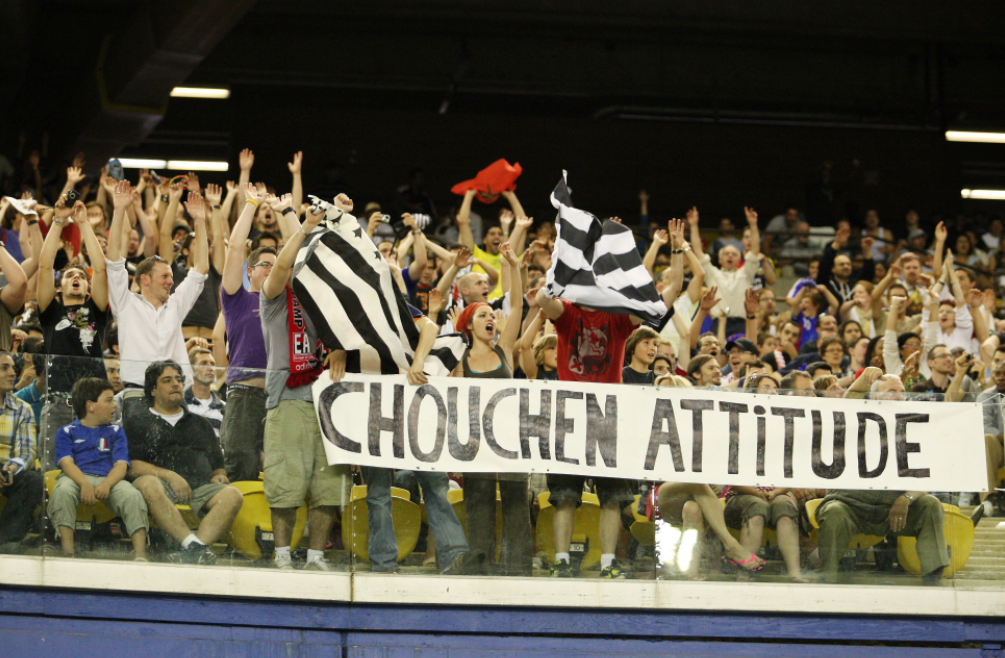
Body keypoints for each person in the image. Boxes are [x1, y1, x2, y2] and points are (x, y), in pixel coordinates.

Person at [259, 193, 352, 571]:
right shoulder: (275, 297)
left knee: (328, 486)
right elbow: (283, 264)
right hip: (289, 398)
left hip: (331, 401)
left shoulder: (330, 303)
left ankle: (315, 556)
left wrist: (341, 349)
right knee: (286, 483)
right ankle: (282, 555)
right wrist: (305, 227)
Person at [449, 242, 528, 575]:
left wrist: (514, 267)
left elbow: (518, 306)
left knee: (516, 501)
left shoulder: (504, 349)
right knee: (478, 502)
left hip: (509, 437)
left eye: (492, 315)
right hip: (476, 440)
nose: (491, 319)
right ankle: (481, 563)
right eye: (483, 315)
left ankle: (519, 566)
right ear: (469, 325)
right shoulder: (459, 362)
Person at [124, 361, 243, 564]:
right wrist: (171, 476)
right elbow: (132, 466)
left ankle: (192, 552)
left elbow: (218, 465)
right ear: (153, 390)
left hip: (199, 488)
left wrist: (219, 475)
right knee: (148, 483)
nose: (175, 384)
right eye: (167, 380)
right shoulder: (137, 422)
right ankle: (193, 546)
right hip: (158, 487)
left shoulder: (200, 424)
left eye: (178, 380)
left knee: (233, 495)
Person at [106, 180, 209, 388]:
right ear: (145, 279)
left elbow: (201, 268)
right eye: (164, 276)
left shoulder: (176, 305)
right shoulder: (125, 304)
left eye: (171, 276)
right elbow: (114, 261)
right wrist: (119, 210)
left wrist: (200, 221)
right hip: (137, 390)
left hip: (176, 391)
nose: (171, 281)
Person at [38, 195, 110, 460]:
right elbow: (45, 266)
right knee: (53, 471)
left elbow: (100, 269)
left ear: (88, 287)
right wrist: (58, 221)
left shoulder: (95, 310)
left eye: (81, 276)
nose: (76, 277)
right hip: (58, 404)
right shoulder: (50, 311)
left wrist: (84, 223)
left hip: (94, 405)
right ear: (60, 287)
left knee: (98, 468)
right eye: (70, 276)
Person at [48, 377, 148, 560]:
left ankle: (140, 555)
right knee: (62, 491)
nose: (114, 406)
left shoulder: (116, 431)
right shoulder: (67, 431)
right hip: (76, 478)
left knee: (133, 496)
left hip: (109, 479)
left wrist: (107, 484)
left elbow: (121, 465)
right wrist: (84, 483)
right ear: (90, 406)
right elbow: (67, 463)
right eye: (109, 400)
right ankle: (68, 551)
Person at [219, 184, 275, 482]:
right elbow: (235, 247)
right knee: (242, 471)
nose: (271, 269)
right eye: (265, 264)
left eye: (277, 266)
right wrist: (251, 204)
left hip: (280, 398)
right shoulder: (237, 299)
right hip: (244, 396)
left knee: (281, 475)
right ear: (249, 271)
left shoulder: (288, 305)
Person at [816, 488, 948, 584]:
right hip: (849, 505)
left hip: (894, 510)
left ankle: (933, 578)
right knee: (833, 511)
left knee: (930, 504)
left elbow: (922, 483)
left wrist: (906, 498)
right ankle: (828, 579)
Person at [689, 206, 761, 336]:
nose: (730, 256)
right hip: (718, 322)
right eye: (727, 253)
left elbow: (755, 250)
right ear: (720, 259)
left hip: (741, 323)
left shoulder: (746, 273)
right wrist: (693, 225)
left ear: (739, 259)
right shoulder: (712, 274)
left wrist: (753, 224)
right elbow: (698, 252)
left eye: (734, 254)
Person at [0, 352, 42, 549]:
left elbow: (27, 451)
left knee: (33, 480)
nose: (13, 374)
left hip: (7, 470)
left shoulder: (23, 408)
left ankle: (7, 540)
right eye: (4, 368)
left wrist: (11, 468)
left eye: (12, 368)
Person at [722, 485, 805, 582]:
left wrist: (773, 493)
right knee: (757, 506)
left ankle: (795, 574)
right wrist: (759, 494)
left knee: (785, 505)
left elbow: (788, 482)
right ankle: (743, 573)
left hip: (775, 495)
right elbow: (737, 484)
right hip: (742, 496)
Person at [974, 360, 1005, 519]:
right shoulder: (986, 396)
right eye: (997, 373)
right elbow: (984, 425)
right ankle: (988, 500)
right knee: (987, 439)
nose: (1001, 377)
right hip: (999, 448)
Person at [184, 347, 225, 438]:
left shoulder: (224, 408)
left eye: (212, 364)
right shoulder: (179, 405)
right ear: (191, 370)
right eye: (203, 363)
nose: (210, 368)